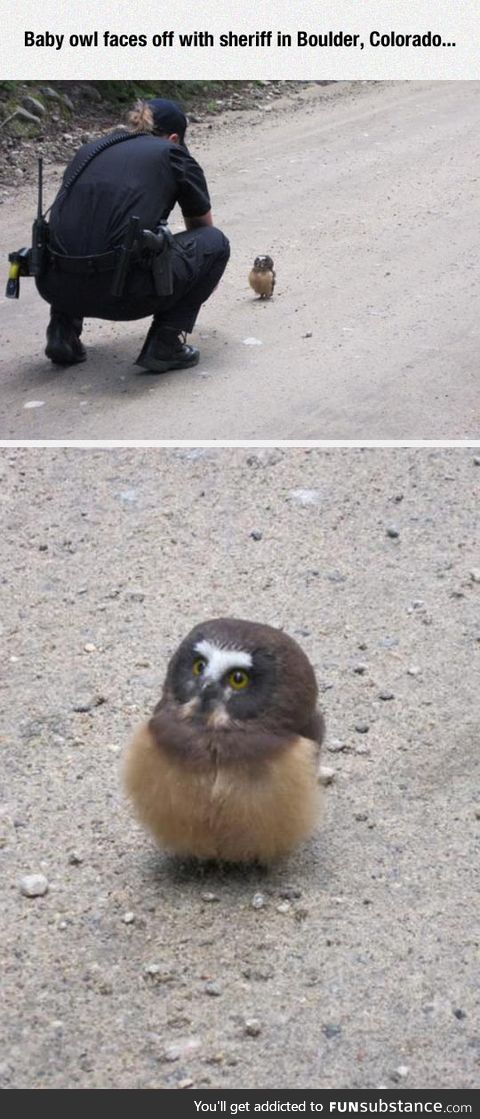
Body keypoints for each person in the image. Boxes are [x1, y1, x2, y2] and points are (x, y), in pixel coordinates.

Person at [36, 98, 230, 373]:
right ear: (174, 138)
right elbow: (202, 227)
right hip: (122, 294)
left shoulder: (90, 151)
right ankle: (165, 344)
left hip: (55, 286)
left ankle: (61, 334)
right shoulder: (173, 153)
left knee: (84, 232)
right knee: (216, 243)